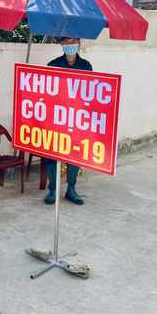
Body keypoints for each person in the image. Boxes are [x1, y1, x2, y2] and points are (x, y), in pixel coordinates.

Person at [44, 36, 93, 206]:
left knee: (75, 154)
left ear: (79, 43)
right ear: (61, 44)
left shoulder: (86, 66)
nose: (70, 44)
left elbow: (91, 92)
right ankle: (53, 190)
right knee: (51, 155)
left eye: (73, 41)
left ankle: (71, 189)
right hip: (56, 118)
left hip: (77, 119)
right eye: (66, 41)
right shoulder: (53, 65)